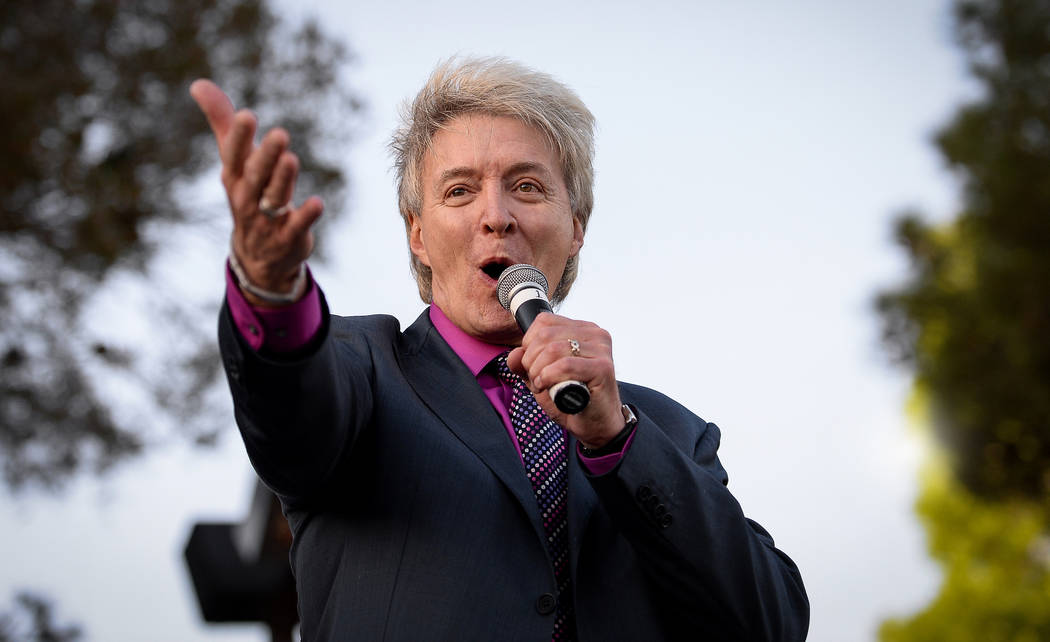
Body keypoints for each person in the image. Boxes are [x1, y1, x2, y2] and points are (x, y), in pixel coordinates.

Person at [191, 57, 809, 641]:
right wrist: (269, 292)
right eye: (459, 191)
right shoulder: (364, 369)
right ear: (418, 235)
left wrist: (616, 441)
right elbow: (292, 412)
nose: (496, 216)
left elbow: (769, 623)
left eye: (528, 187)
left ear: (576, 229)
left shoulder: (669, 432)